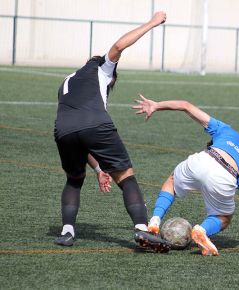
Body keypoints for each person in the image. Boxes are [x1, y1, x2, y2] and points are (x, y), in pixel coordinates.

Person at [54, 12, 170, 251]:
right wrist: (152, 22)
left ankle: (67, 232)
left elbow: (78, 134)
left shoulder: (68, 80)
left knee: (74, 180)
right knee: (126, 177)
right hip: (96, 124)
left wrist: (97, 169)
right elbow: (118, 45)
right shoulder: (102, 68)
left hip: (63, 130)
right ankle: (141, 229)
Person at [132, 95, 239, 255]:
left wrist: (156, 105)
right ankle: (201, 230)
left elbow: (185, 105)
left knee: (171, 182)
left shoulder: (224, 129)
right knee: (224, 218)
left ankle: (155, 221)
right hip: (226, 175)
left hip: (203, 159)